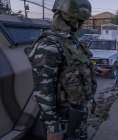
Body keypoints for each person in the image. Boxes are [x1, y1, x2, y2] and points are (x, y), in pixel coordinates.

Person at [28, 0, 96, 140]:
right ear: (68, 17)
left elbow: (77, 68)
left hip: (77, 114)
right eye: (77, 20)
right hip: (63, 120)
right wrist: (53, 127)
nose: (79, 25)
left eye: (81, 21)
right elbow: (43, 91)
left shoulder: (71, 41)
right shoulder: (49, 45)